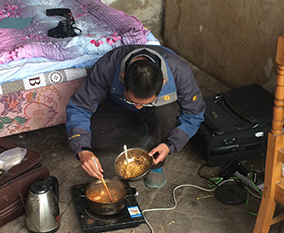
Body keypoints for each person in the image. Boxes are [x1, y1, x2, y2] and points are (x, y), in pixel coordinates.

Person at [65, 44, 206, 188]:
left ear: (163, 81)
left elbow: (194, 114)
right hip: (120, 107)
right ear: (123, 77)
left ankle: (155, 161)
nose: (138, 106)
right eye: (133, 100)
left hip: (160, 111)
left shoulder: (179, 71)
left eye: (146, 102)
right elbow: (80, 106)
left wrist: (170, 145)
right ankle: (141, 137)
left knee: (165, 115)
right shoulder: (107, 66)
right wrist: (82, 149)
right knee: (91, 134)